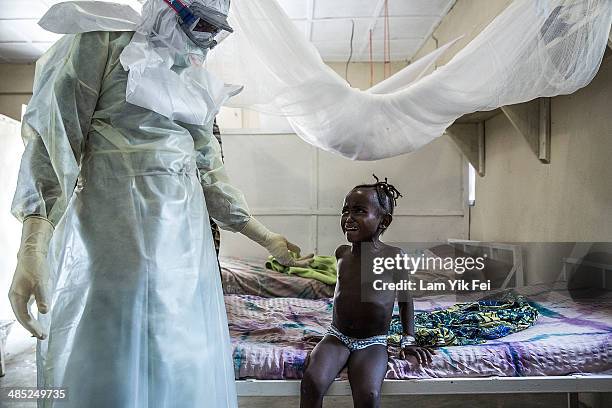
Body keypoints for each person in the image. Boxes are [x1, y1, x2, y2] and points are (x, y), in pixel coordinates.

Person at [8, 1, 311, 407]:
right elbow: (54, 140)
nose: (203, 35)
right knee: (113, 352)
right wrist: (33, 246)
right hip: (113, 240)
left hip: (184, 255)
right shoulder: (102, 40)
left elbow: (208, 174)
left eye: (212, 28)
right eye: (198, 21)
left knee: (175, 352)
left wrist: (265, 236)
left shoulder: (193, 77)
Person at [300, 176, 435, 408]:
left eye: (359, 211)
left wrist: (408, 340)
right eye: (345, 211)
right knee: (311, 382)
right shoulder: (342, 254)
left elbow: (405, 301)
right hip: (337, 337)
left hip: (372, 342)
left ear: (384, 221)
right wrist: (326, 337)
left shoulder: (394, 256)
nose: (348, 218)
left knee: (368, 396)